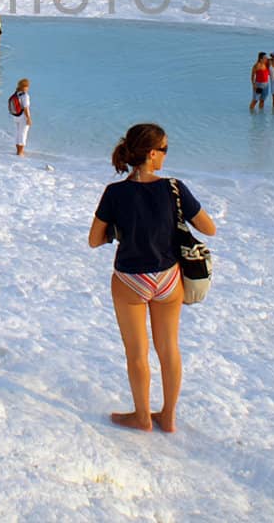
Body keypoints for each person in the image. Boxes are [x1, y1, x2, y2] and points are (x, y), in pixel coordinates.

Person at [88, 123, 217, 433]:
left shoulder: (115, 192)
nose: (166, 156)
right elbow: (209, 228)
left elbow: (94, 240)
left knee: (137, 353)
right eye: (165, 150)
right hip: (168, 279)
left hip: (130, 280)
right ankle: (168, 416)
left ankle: (142, 417)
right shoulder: (174, 187)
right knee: (169, 349)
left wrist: (119, 231)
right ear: (151, 153)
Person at [9, 78, 32, 155]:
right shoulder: (25, 95)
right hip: (22, 116)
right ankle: (20, 152)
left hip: (16, 116)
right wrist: (28, 118)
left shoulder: (16, 93)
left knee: (17, 133)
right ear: (24, 86)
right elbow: (26, 108)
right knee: (23, 133)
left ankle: (18, 150)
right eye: (27, 86)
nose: (28, 88)